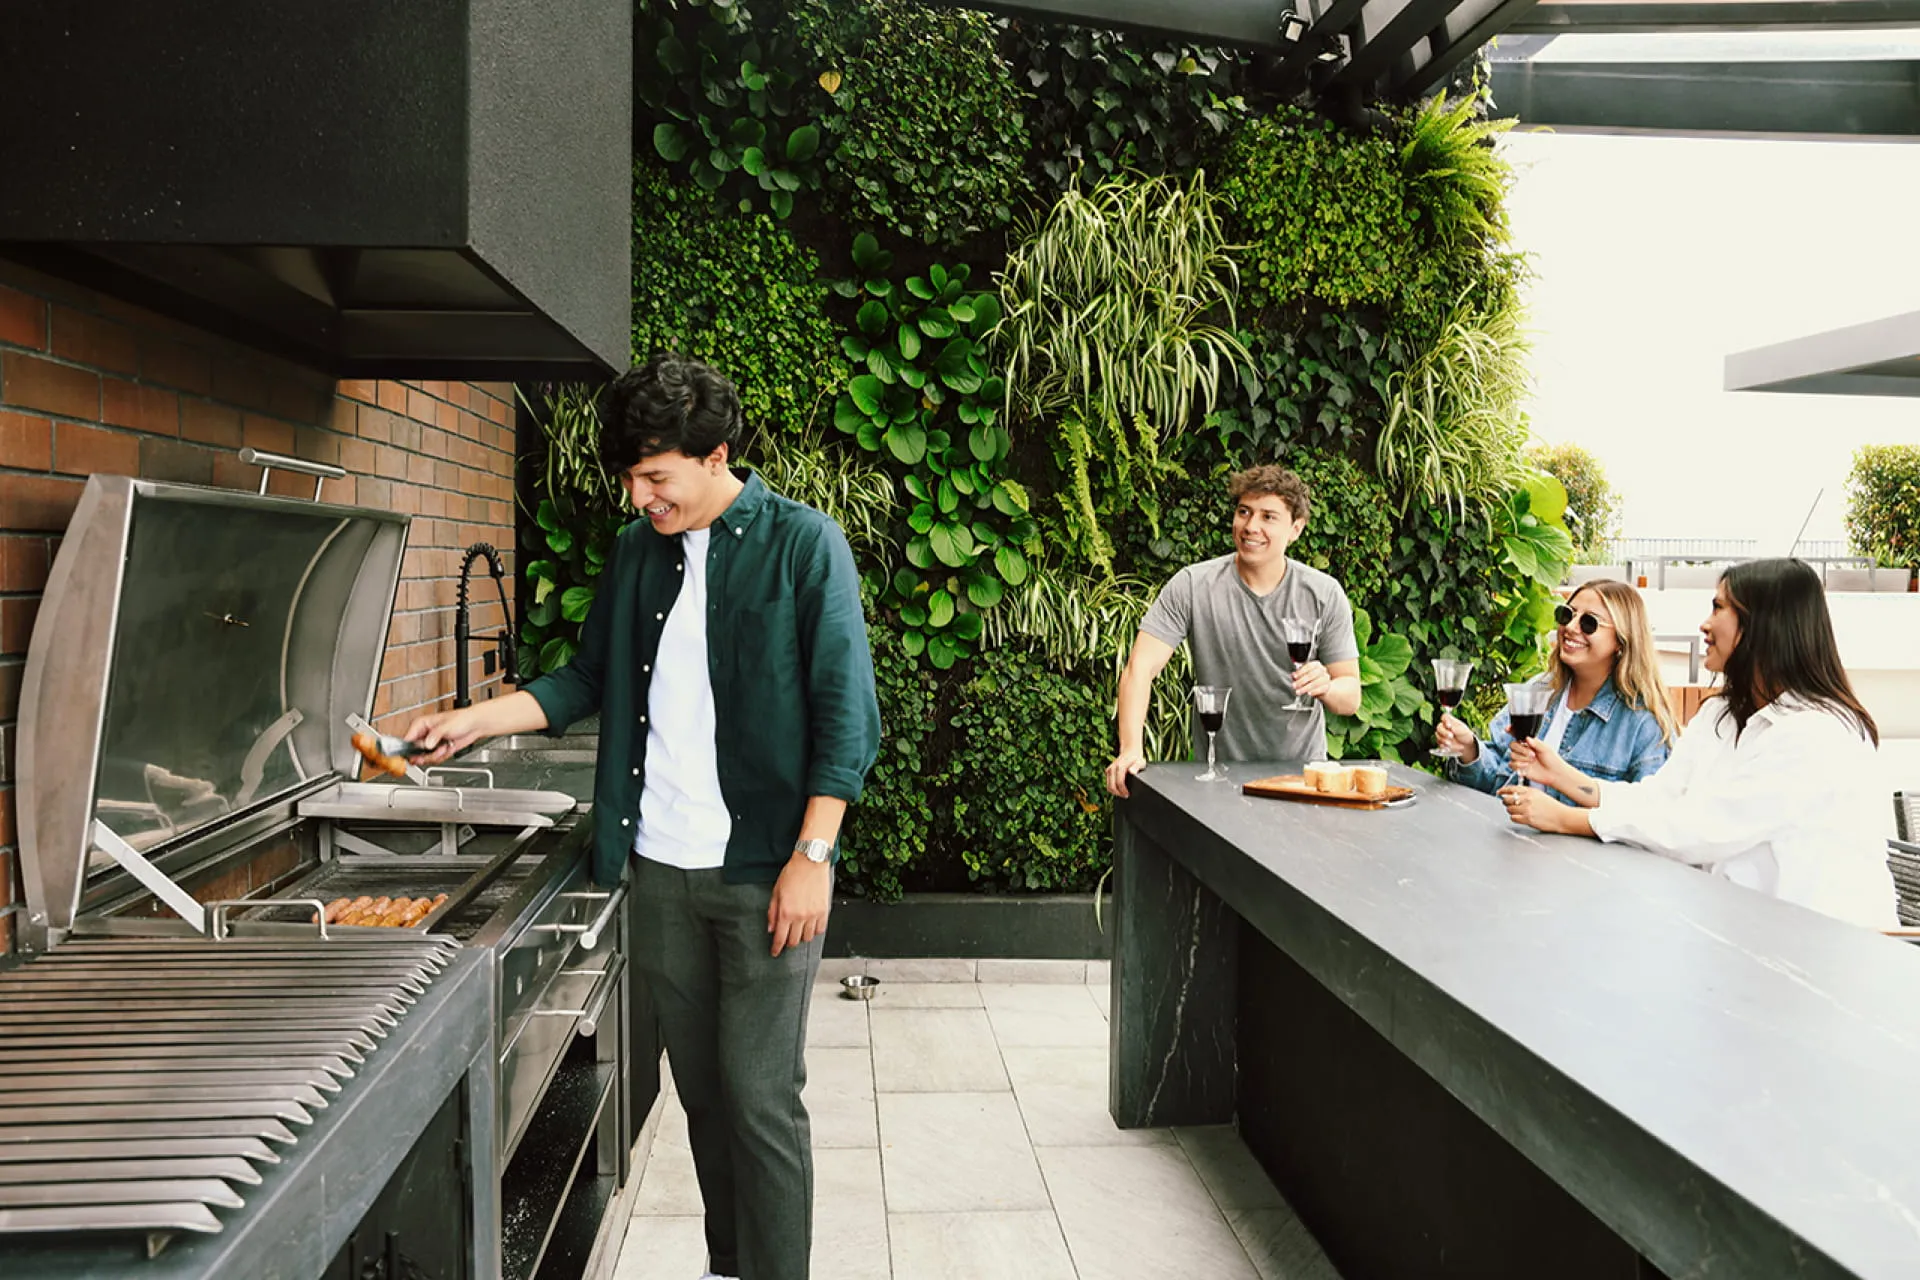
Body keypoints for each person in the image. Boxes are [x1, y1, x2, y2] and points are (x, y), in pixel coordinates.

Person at [406, 355, 881, 1280]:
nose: (639, 499)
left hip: (763, 876)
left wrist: (814, 853)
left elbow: (847, 711)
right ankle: (728, 1266)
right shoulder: (637, 552)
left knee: (761, 1099)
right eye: (629, 478)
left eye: (656, 477)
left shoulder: (803, 545)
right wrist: (471, 721)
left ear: (716, 457)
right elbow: (585, 677)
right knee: (703, 1096)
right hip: (660, 871)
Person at [1500, 558, 1896, 929]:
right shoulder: (1721, 716)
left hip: (1826, 954)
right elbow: (1662, 797)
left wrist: (1567, 819)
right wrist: (1564, 776)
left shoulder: (1817, 735)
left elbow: (1701, 829)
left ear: (1763, 625)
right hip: (1740, 935)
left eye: (1719, 608)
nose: (1705, 625)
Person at [1104, 464, 1360, 798]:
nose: (1251, 526)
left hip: (1302, 780)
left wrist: (1326, 686)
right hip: (1218, 777)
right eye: (1244, 512)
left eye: (1269, 516)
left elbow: (1350, 697)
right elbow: (1139, 669)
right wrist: (1130, 749)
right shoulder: (1193, 585)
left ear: (1296, 529)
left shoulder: (1323, 593)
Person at [1435, 578, 1676, 805]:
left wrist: (1561, 815)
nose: (1570, 627)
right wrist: (1468, 749)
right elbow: (1496, 780)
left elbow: (1648, 813)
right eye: (1567, 614)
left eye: (1589, 623)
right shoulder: (1539, 690)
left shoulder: (1643, 722)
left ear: (1621, 642)